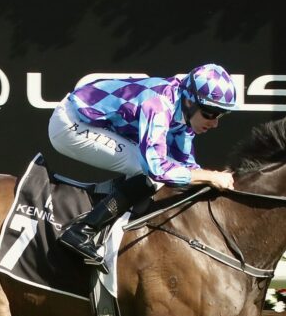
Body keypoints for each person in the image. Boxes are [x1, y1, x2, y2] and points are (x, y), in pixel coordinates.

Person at [49, 63, 238, 267]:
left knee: (167, 170)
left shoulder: (183, 110)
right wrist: (211, 176)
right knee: (147, 171)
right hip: (70, 123)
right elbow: (157, 169)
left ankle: (106, 210)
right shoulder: (159, 104)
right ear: (189, 101)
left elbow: (188, 167)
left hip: (92, 122)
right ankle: (81, 232)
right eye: (210, 113)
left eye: (220, 114)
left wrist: (212, 180)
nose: (215, 123)